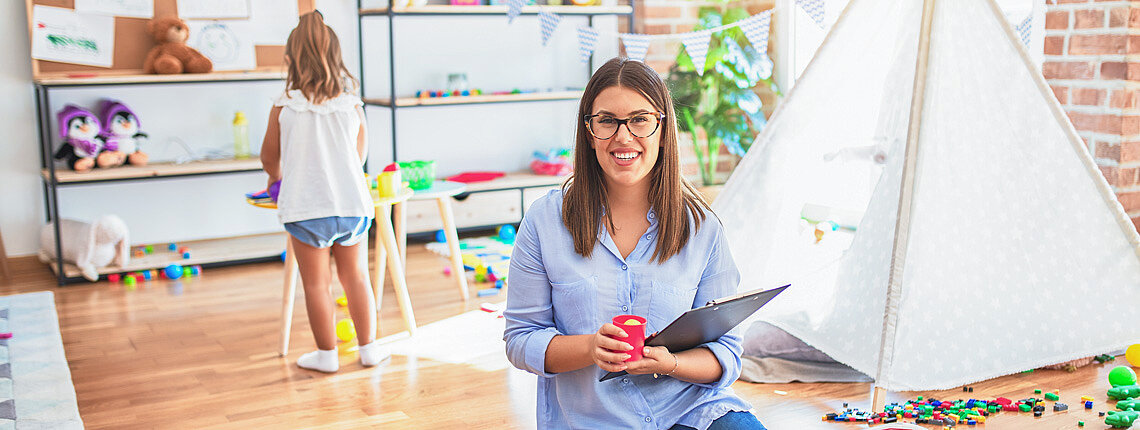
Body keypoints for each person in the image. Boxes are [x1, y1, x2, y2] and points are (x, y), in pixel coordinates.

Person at [504, 57, 765, 430]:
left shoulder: (702, 227)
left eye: (640, 120)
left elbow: (726, 353)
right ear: (589, 132)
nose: (623, 137)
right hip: (594, 421)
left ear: (662, 127)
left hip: (693, 413)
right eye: (607, 121)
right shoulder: (545, 222)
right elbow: (520, 339)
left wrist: (671, 364)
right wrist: (590, 347)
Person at [260, 11, 387, 373]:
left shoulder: (285, 103)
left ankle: (327, 355)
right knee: (357, 277)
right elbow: (359, 156)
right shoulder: (351, 102)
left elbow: (270, 156)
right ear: (336, 56)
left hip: (306, 207)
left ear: (291, 59)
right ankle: (369, 350)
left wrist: (274, 178)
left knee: (317, 284)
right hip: (351, 205)